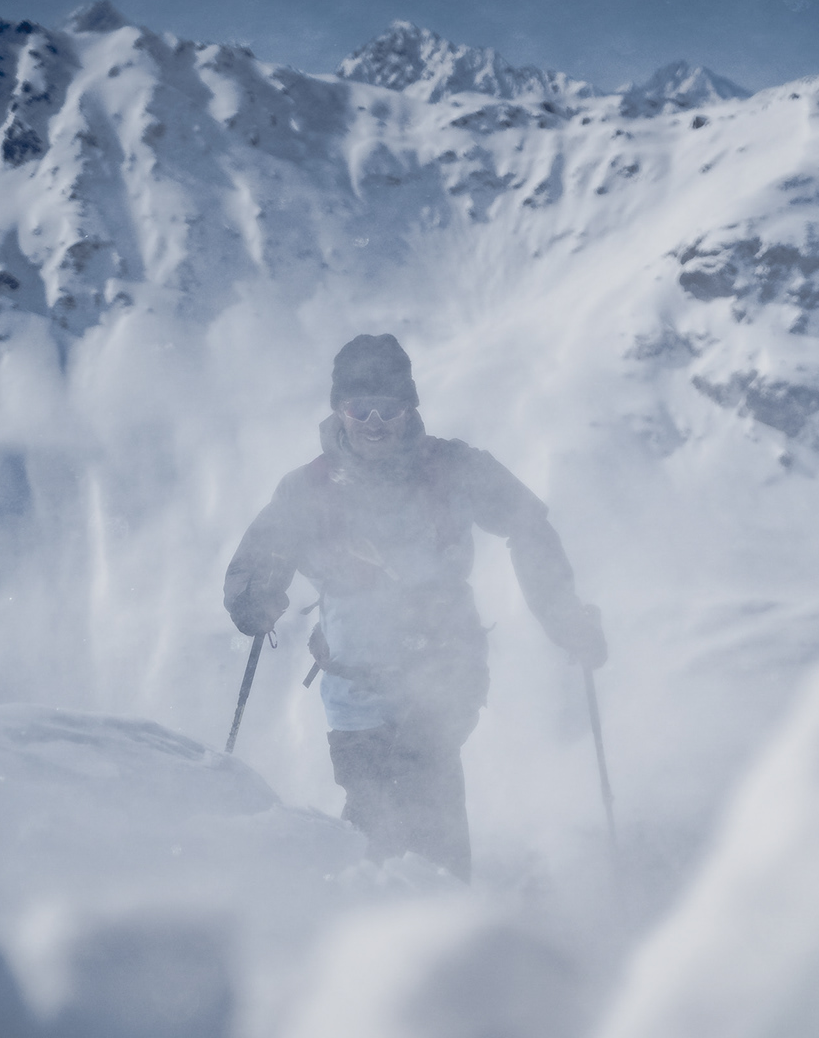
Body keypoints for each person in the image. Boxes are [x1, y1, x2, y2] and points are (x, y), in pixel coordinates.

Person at [223, 333, 606, 881]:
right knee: (376, 814)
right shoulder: (310, 489)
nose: (375, 421)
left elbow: (528, 523)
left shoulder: (452, 468)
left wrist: (563, 616)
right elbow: (256, 559)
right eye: (361, 407)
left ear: (410, 408)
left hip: (443, 678)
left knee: (425, 802)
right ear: (339, 409)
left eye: (390, 407)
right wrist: (254, 597)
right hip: (354, 693)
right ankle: (410, 926)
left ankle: (426, 925)